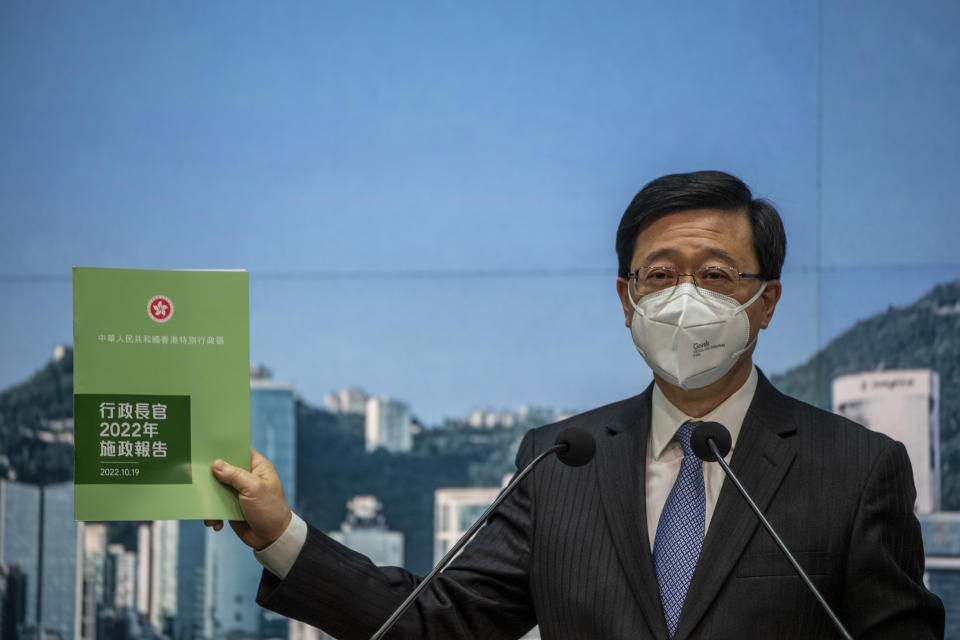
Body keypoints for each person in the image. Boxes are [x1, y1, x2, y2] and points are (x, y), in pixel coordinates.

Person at [205, 170, 945, 639]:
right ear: (627, 301)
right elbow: (430, 625)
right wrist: (281, 534)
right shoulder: (559, 460)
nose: (684, 297)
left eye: (715, 275)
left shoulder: (856, 468)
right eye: (659, 275)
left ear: (765, 301)